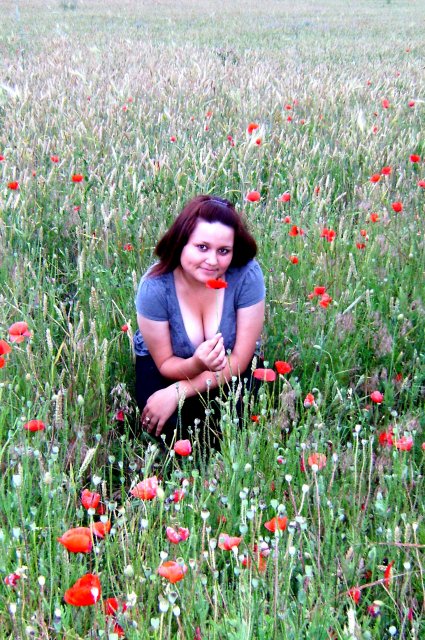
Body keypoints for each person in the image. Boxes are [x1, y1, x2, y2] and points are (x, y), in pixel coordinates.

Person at [133, 194, 265, 446]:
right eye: (202, 247)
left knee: (241, 416)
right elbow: (166, 363)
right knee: (168, 429)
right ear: (181, 242)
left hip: (229, 367)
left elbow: (239, 359)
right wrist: (196, 364)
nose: (212, 261)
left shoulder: (246, 276)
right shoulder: (155, 288)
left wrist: (179, 391)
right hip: (171, 366)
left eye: (223, 251)